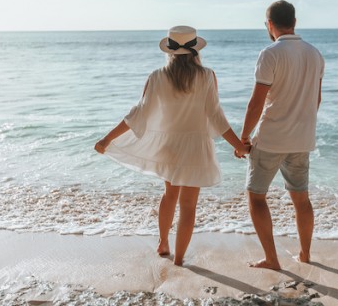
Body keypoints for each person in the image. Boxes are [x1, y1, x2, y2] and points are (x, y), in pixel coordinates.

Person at [95, 25, 250, 266]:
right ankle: (178, 259)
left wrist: (108, 138)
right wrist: (239, 145)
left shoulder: (157, 76)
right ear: (195, 50)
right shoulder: (207, 75)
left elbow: (138, 114)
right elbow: (216, 117)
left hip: (169, 146)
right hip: (196, 148)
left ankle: (163, 242)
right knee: (188, 207)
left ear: (169, 51)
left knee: (169, 195)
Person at [239, 0, 324, 270]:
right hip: (302, 139)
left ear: (270, 25)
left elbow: (256, 102)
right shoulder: (315, 54)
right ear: (295, 22)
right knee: (301, 198)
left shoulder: (270, 53)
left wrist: (244, 138)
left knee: (256, 196)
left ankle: (272, 259)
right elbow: (316, 100)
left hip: (272, 138)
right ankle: (305, 254)